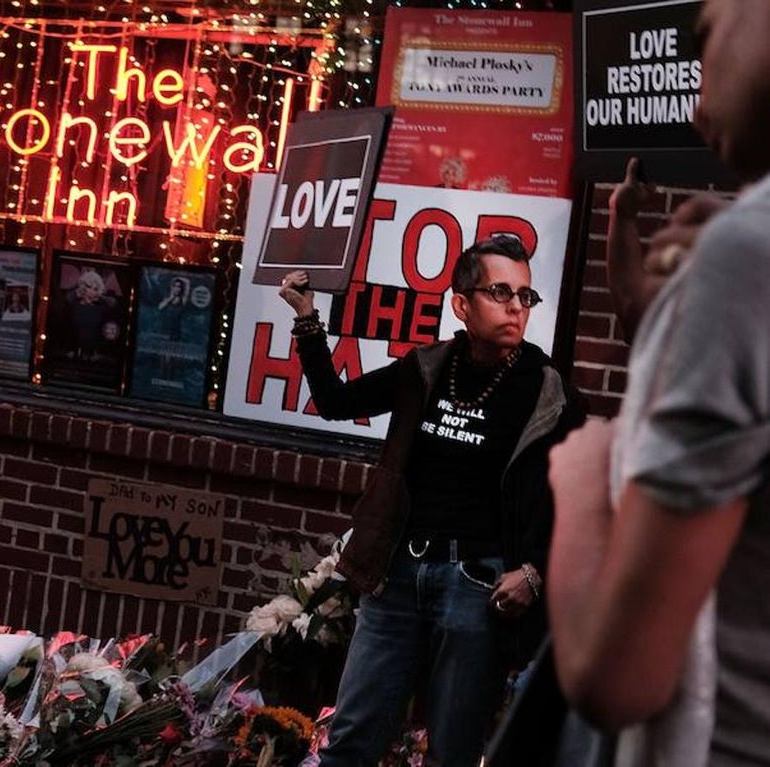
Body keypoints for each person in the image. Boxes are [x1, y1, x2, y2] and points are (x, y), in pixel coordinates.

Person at [547, 2, 770, 764]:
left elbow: (616, 676)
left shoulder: (747, 258)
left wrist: (582, 474)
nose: (697, 99)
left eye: (705, 32)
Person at [280, 235, 586, 767]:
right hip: (397, 575)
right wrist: (307, 317)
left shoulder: (547, 389)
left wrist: (536, 569)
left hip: (478, 587)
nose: (517, 306)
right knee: (351, 741)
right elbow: (334, 401)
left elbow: (587, 491)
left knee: (453, 751)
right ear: (461, 304)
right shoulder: (425, 368)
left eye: (525, 296)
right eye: (500, 292)